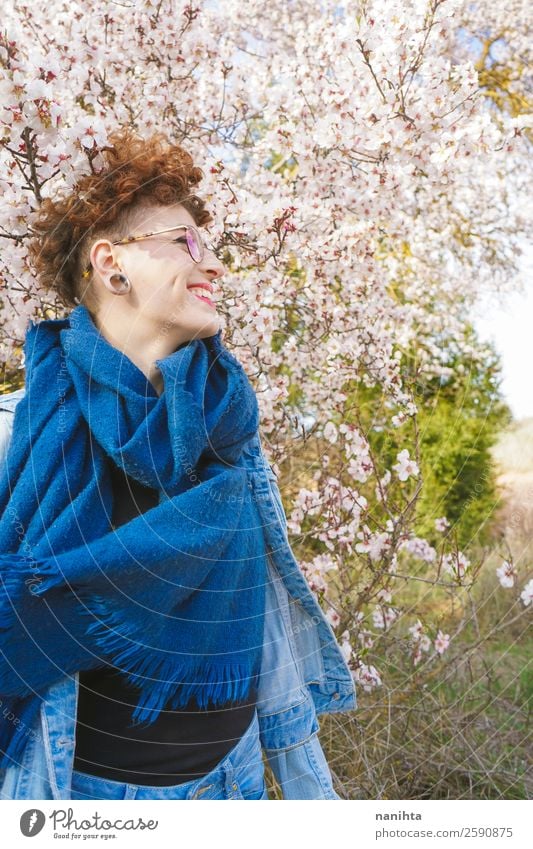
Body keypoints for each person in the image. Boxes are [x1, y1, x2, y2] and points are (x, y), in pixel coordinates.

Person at [0, 130, 357, 801]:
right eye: (186, 241)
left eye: (212, 246)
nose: (213, 264)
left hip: (236, 778)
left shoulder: (229, 430)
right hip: (86, 797)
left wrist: (313, 794)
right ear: (112, 264)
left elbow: (266, 628)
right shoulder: (17, 434)